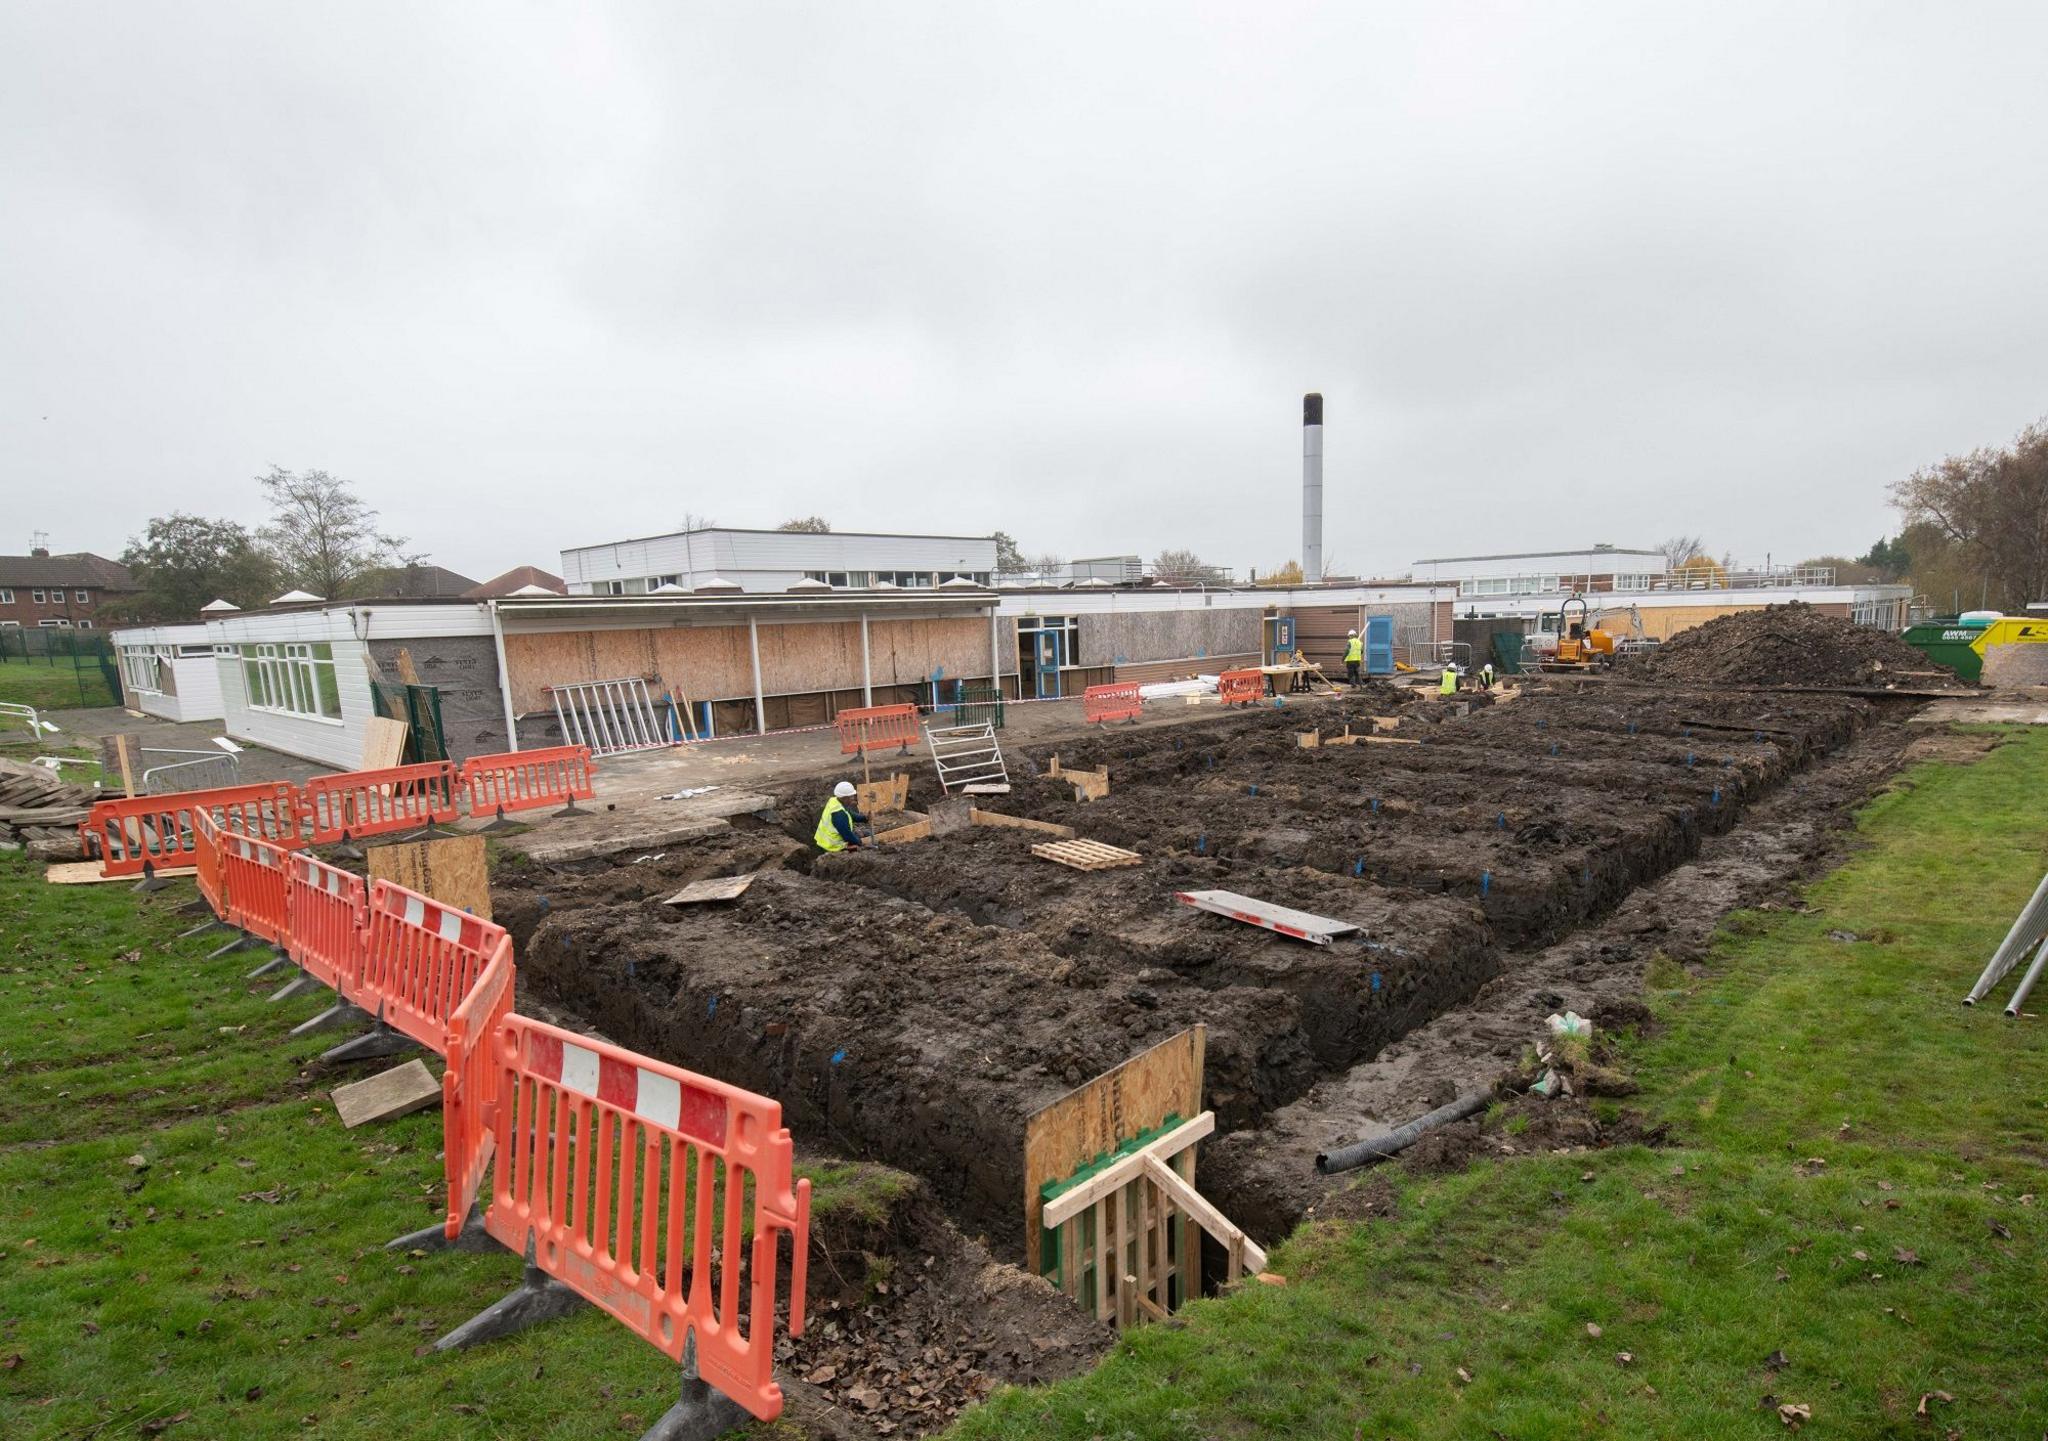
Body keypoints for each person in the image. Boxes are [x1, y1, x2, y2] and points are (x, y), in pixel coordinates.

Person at [814, 780, 869, 852]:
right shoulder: (839, 814)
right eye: (851, 796)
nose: (853, 798)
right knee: (856, 848)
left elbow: (849, 814)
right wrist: (860, 843)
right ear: (845, 798)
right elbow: (847, 835)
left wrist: (864, 818)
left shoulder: (835, 801)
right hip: (831, 847)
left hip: (823, 842)